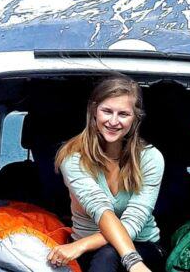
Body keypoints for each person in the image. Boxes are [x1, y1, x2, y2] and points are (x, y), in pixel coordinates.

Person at [48, 74, 165, 272]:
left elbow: (134, 222)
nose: (113, 121)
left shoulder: (150, 158)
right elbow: (100, 209)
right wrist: (82, 246)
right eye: (107, 111)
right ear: (94, 111)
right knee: (106, 255)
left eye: (123, 114)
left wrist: (132, 261)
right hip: (88, 254)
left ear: (135, 118)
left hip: (142, 246)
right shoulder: (73, 157)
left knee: (109, 254)